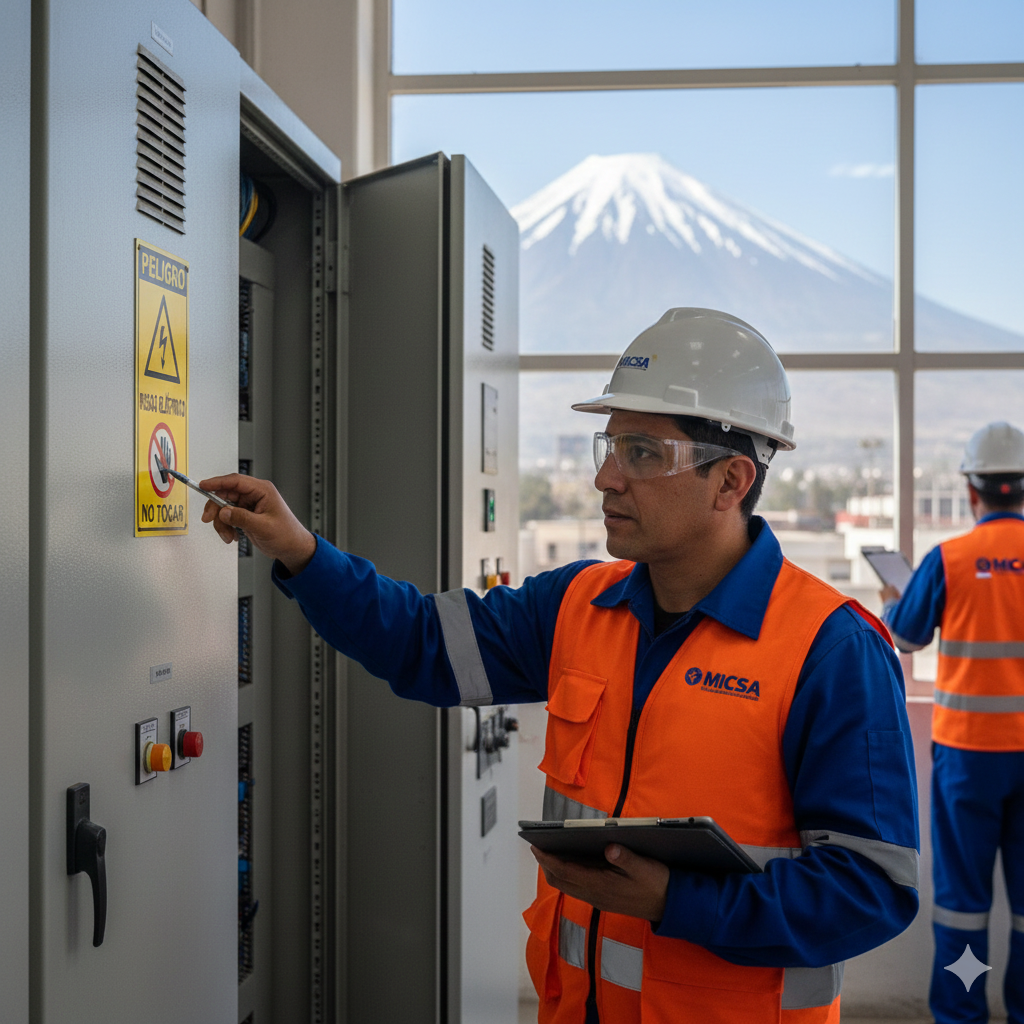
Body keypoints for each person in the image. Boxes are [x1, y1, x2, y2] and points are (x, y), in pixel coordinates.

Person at [201, 308, 919, 1024]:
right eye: (608, 446)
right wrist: (302, 551)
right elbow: (421, 643)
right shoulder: (577, 603)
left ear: (730, 481)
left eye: (642, 453)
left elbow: (873, 889)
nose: (605, 478)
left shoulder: (831, 649)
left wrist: (676, 900)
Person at [882, 421, 1024, 1024]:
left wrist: (896, 595)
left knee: (964, 902)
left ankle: (962, 1014)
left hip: (967, 758)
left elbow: (906, 636)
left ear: (972, 491)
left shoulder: (950, 559)